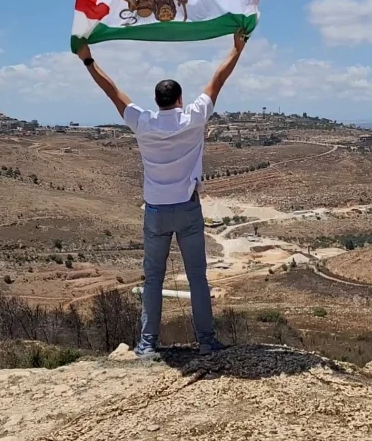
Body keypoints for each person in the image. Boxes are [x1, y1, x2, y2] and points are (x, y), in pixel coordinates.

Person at [76, 30, 248, 357]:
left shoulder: (143, 122)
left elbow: (112, 91)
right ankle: (207, 342)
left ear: (157, 102)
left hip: (155, 211)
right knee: (197, 277)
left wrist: (87, 59)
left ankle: (146, 344)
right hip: (187, 208)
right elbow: (218, 79)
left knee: (153, 279)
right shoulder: (194, 116)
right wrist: (235, 50)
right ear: (180, 99)